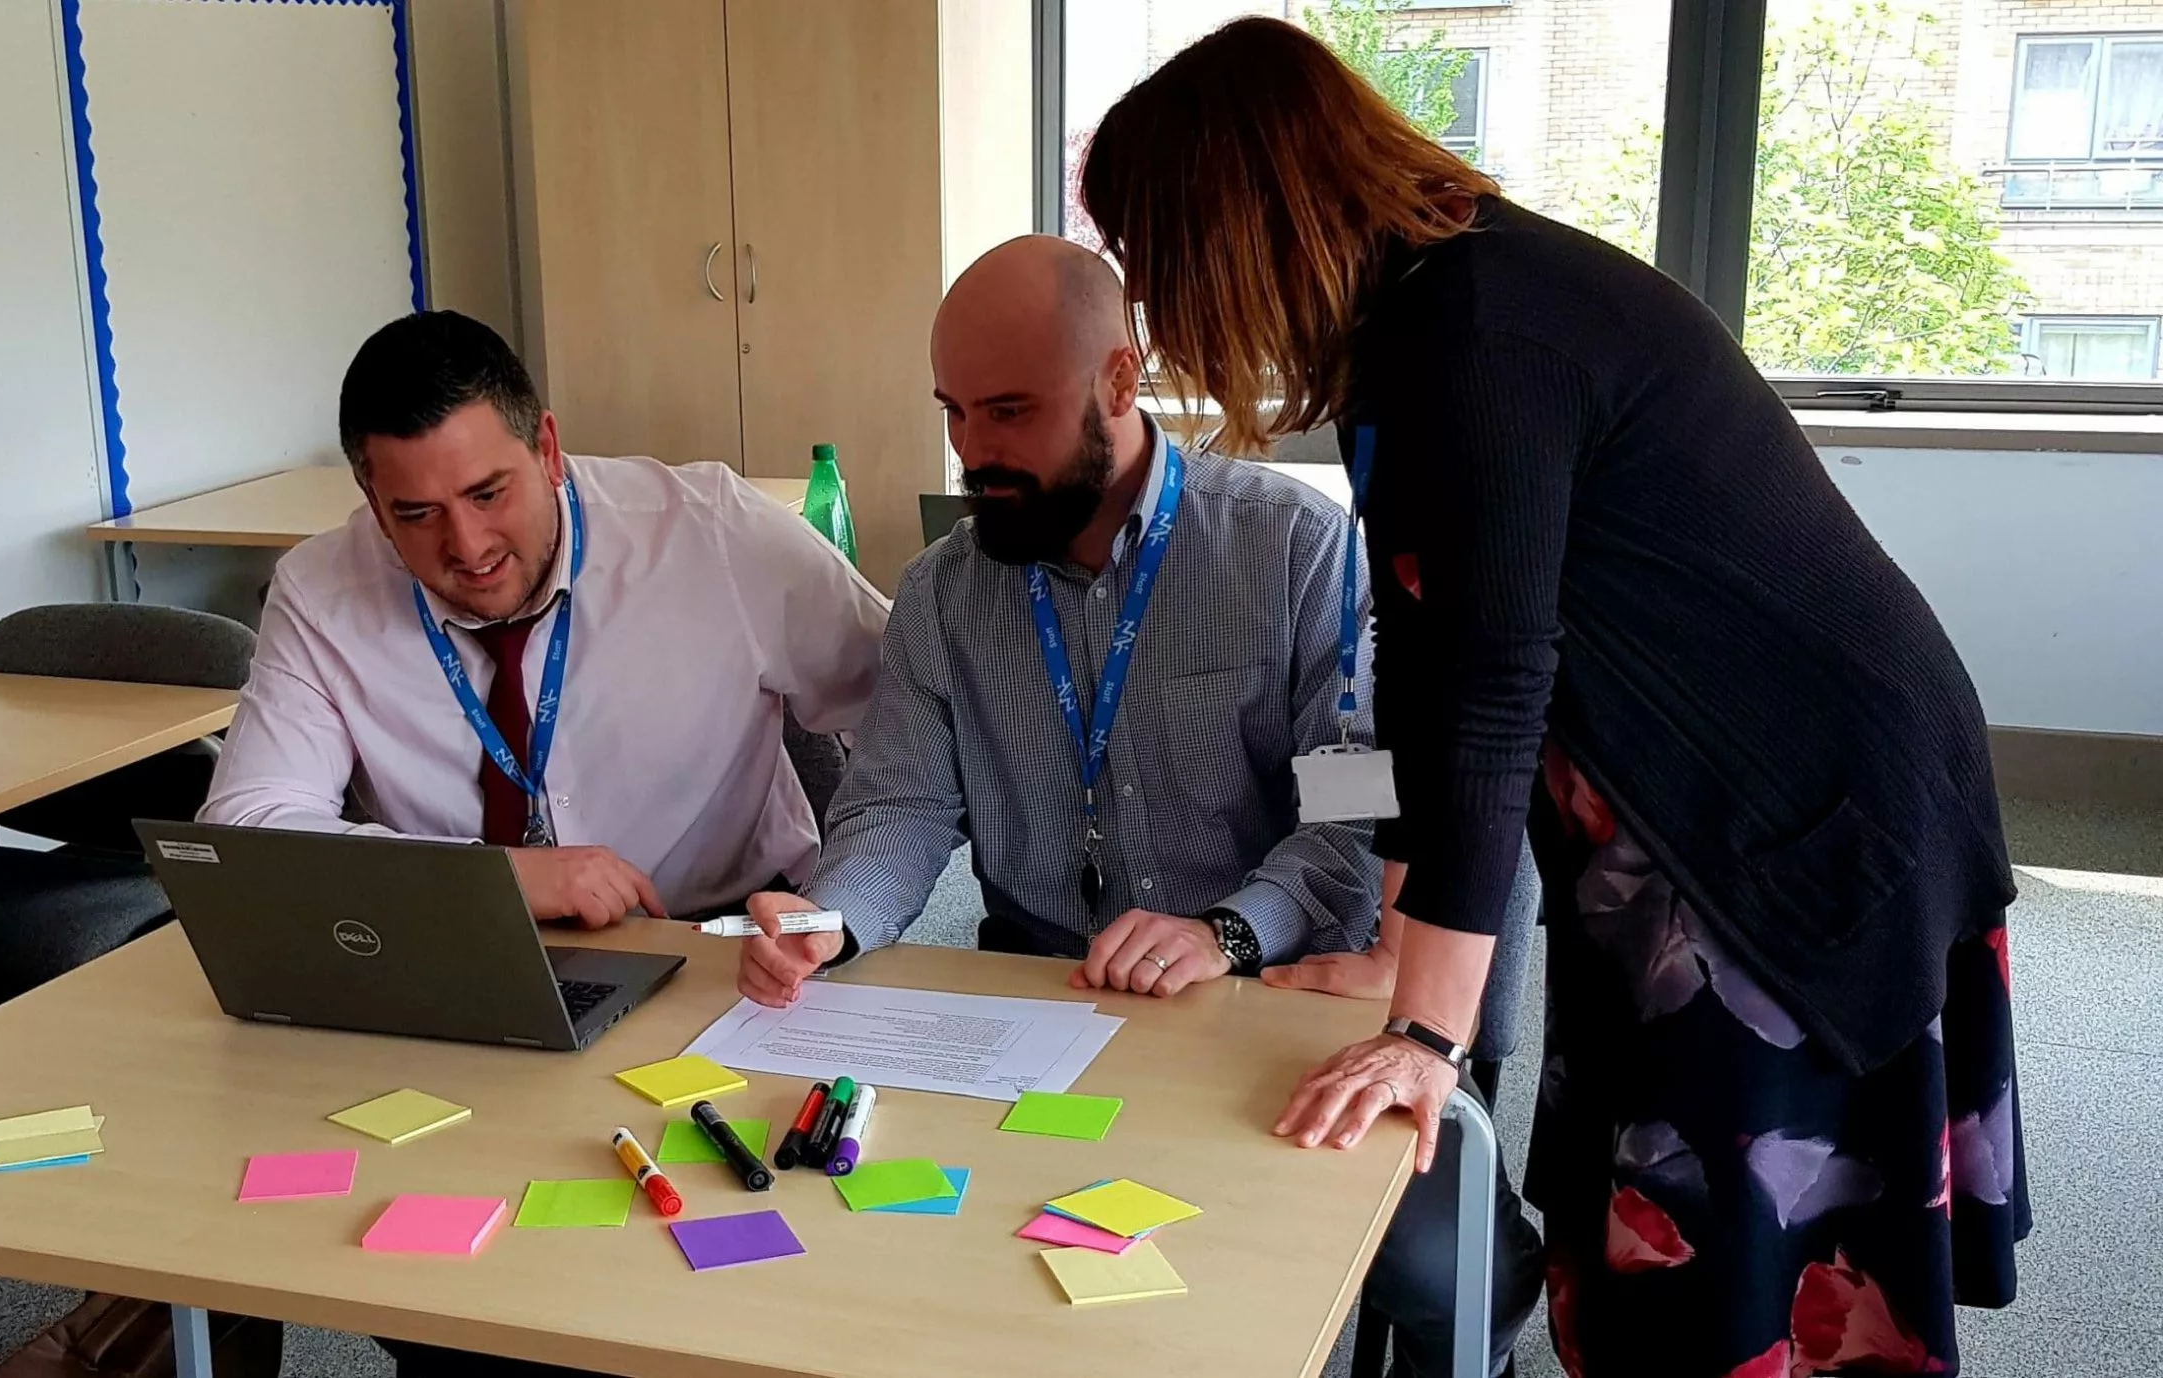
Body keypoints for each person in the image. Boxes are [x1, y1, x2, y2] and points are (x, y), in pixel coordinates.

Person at [1080, 20, 2028, 1378]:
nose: (1153, 302)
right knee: (1632, 1222)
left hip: (1779, 817)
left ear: (1234, 225)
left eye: (1152, 254)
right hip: (1611, 820)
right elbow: (1414, 685)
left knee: (1740, 1267)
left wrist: (1408, 1012)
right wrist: (1392, 949)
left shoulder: (1474, 336)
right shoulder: (1402, 343)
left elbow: (1468, 701)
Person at [740, 235, 1541, 1378]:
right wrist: (832, 916)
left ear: (1119, 380)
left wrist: (1227, 929)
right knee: (877, 1249)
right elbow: (899, 807)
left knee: (1440, 1266)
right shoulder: (942, 594)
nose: (973, 451)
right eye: (954, 413)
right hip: (1041, 1006)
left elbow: (1358, 808)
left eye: (1009, 410)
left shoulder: (1294, 549)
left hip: (1271, 1005)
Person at [201, 309, 890, 928]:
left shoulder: (708, 531)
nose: (468, 547)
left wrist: (849, 897)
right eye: (416, 514)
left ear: (548, 449)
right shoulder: (321, 591)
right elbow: (246, 832)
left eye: (488, 493)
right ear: (373, 500)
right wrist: (491, 879)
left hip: (719, 934)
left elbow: (917, 702)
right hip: (464, 937)